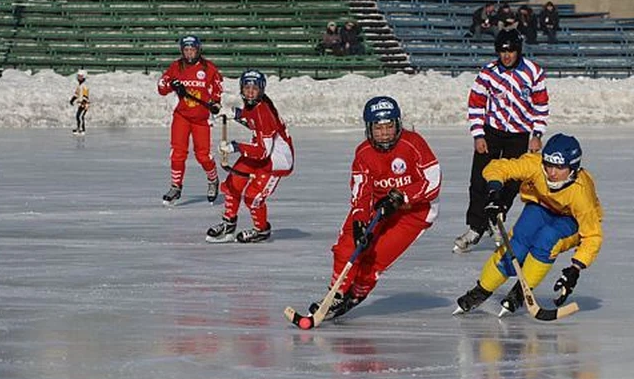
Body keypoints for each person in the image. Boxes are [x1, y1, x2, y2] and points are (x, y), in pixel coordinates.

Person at [308, 96, 441, 320]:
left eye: (389, 126)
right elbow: (361, 191)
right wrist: (360, 219)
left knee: (376, 257)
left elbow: (433, 182)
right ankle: (337, 294)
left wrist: (401, 197)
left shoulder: (413, 143)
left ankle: (357, 292)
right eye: (378, 128)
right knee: (347, 246)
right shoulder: (363, 153)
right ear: (369, 129)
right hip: (378, 207)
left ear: (398, 124)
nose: (385, 133)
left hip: (415, 211)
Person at [455, 134, 603, 316]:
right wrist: (495, 193)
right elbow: (497, 167)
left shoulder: (581, 193)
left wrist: (575, 269)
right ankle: (481, 291)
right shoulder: (535, 165)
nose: (552, 173)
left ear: (573, 167)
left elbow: (592, 236)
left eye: (559, 167)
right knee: (516, 245)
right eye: (548, 165)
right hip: (541, 208)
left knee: (547, 238)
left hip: (570, 220)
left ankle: (521, 292)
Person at [454, 28, 549, 254]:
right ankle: (475, 227)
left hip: (518, 134)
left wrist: (537, 134)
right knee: (479, 179)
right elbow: (476, 103)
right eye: (502, 51)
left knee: (512, 181)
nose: (506, 55)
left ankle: (496, 219)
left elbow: (541, 105)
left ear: (518, 51)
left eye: (511, 50)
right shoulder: (488, 73)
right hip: (491, 132)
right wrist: (478, 134)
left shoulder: (533, 73)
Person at [207, 69, 294, 244]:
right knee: (233, 183)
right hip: (259, 151)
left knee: (252, 196)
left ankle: (261, 230)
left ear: (262, 89)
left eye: (255, 88)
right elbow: (251, 118)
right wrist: (234, 113)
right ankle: (228, 224)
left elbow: (263, 151)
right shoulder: (254, 105)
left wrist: (236, 147)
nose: (251, 92)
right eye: (247, 88)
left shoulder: (264, 112)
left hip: (275, 161)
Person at [156, 34, 223, 205]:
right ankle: (176, 186)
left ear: (198, 49)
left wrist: (215, 102)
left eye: (192, 49)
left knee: (203, 156)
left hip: (201, 119)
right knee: (177, 153)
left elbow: (217, 87)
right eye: (186, 50)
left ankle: (213, 180)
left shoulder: (208, 68)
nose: (189, 53)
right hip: (182, 116)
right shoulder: (176, 66)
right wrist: (172, 85)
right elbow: (161, 87)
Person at [69, 69, 90, 135]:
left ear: (84, 77)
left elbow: (85, 94)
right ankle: (79, 128)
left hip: (84, 104)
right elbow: (76, 94)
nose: (79, 78)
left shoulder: (85, 85)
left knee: (81, 116)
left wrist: (84, 101)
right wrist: (72, 99)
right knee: (78, 116)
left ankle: (82, 129)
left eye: (80, 76)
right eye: (78, 76)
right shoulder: (79, 86)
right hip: (80, 103)